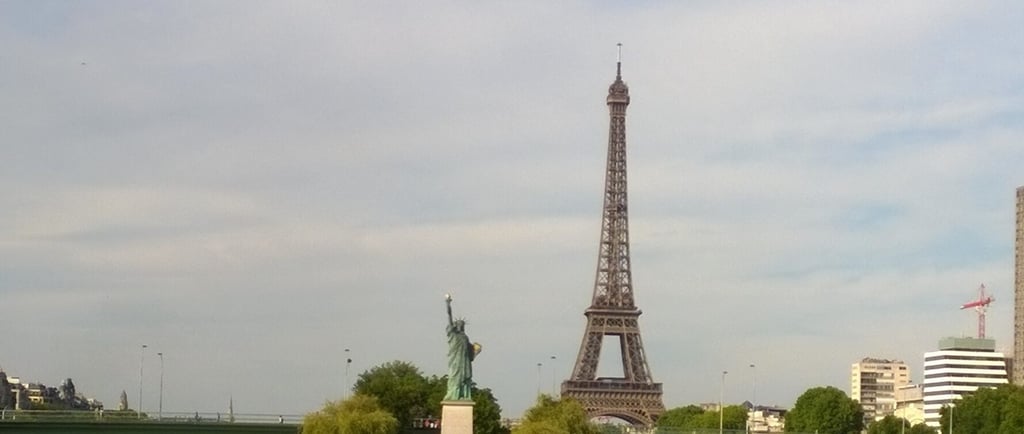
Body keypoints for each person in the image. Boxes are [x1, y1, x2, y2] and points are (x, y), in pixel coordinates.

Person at [444, 295, 475, 401]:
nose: (460, 326)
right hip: (455, 361)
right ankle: (454, 395)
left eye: (462, 324)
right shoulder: (453, 334)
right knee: (454, 378)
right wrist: (448, 304)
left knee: (466, 379)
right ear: (455, 325)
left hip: (465, 362)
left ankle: (464, 395)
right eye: (458, 324)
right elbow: (449, 317)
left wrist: (475, 350)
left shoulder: (465, 337)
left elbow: (471, 352)